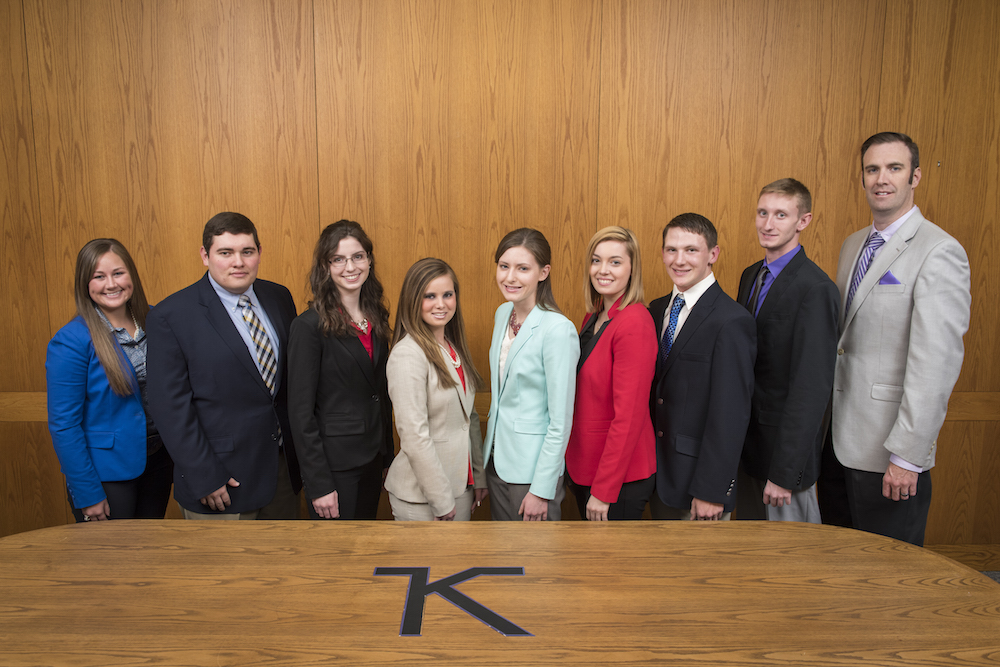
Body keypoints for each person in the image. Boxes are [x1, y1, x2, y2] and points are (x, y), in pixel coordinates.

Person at [824, 132, 971, 546]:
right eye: (872, 169)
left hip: (889, 452)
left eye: (894, 168)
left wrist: (908, 456)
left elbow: (935, 364)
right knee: (840, 569)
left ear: (915, 177)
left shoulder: (939, 251)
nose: (881, 178)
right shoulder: (854, 245)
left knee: (888, 581)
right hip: (837, 443)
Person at [147, 212, 302, 520]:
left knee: (284, 565)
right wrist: (204, 475)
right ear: (205, 256)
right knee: (227, 569)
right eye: (225, 253)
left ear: (259, 252)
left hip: (281, 472)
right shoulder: (172, 315)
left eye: (247, 251)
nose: (239, 262)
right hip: (220, 481)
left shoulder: (279, 297)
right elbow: (169, 408)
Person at [46, 239, 173, 522]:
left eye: (118, 273)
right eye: (98, 276)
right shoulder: (70, 341)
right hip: (106, 474)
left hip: (159, 462)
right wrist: (87, 492)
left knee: (148, 553)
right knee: (111, 561)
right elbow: (63, 424)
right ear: (85, 284)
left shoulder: (156, 320)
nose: (111, 284)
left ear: (131, 276)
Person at [735, 179, 839, 522]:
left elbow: (811, 390)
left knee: (791, 564)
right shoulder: (751, 275)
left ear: (803, 221)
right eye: (763, 213)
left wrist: (784, 472)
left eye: (781, 214)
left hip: (784, 462)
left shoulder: (816, 288)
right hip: (749, 450)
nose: (768, 224)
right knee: (749, 559)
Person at [649, 213, 756, 520]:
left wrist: (712, 490)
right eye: (671, 250)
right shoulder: (656, 310)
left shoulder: (731, 321)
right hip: (658, 475)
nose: (679, 260)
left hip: (699, 485)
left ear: (713, 254)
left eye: (691, 250)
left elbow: (731, 415)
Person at [287, 220, 393, 520]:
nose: (351, 266)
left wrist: (388, 456)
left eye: (358, 256)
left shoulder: (376, 317)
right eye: (339, 259)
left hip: (373, 457)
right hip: (333, 467)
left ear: (369, 260)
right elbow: (300, 412)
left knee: (365, 550)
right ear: (326, 266)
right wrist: (318, 484)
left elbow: (380, 395)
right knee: (337, 557)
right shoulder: (308, 327)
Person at [483, 229, 579, 522]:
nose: (510, 277)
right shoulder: (502, 314)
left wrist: (542, 489)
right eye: (504, 266)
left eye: (523, 268)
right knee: (504, 561)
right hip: (496, 462)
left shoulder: (558, 329)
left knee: (535, 563)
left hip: (532, 473)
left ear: (543, 272)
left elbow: (560, 420)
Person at [566, 227, 657, 521]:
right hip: (586, 466)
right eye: (596, 260)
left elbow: (629, 417)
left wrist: (605, 490)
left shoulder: (634, 321)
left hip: (619, 480)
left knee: (611, 567)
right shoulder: (593, 317)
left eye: (615, 262)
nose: (602, 270)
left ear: (632, 269)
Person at [384, 258, 485, 521]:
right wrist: (441, 499)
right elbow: (414, 436)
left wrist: (478, 476)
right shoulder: (407, 354)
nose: (441, 304)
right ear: (413, 300)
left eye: (447, 294)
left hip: (460, 486)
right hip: (423, 497)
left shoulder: (453, 347)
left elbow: (469, 418)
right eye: (430, 296)